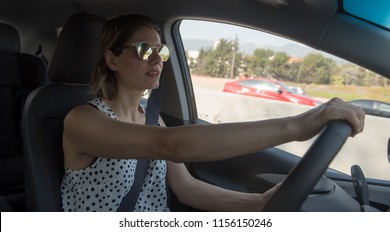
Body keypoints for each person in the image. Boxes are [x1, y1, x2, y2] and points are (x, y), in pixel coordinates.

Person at [60, 14, 365, 212]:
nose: (156, 59)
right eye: (143, 50)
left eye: (161, 51)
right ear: (112, 59)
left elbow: (186, 188)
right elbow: (173, 145)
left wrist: (259, 202)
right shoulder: (82, 121)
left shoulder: (152, 119)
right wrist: (299, 125)